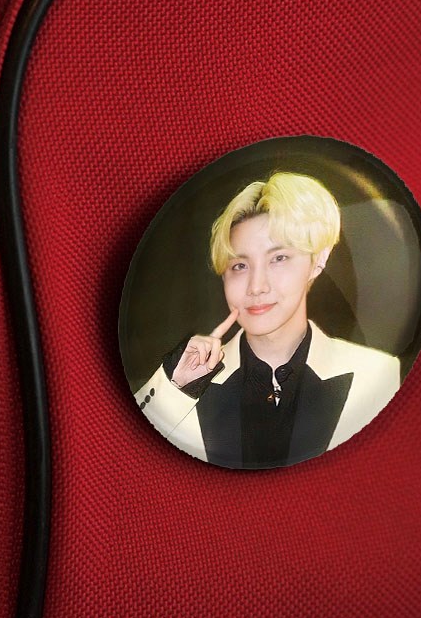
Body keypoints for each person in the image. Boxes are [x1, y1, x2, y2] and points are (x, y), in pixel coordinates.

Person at [138, 172, 399, 468]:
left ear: (318, 260)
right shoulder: (181, 384)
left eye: (279, 258)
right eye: (240, 265)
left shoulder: (378, 373)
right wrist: (176, 387)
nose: (256, 286)